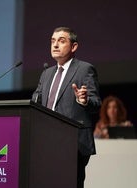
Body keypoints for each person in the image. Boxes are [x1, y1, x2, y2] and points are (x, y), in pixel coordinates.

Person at [32, 26, 101, 188]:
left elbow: (96, 103)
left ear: (74, 46)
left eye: (61, 41)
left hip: (73, 143)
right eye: (53, 41)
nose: (55, 45)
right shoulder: (47, 73)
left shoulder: (84, 69)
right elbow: (36, 101)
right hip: (45, 142)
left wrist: (84, 100)